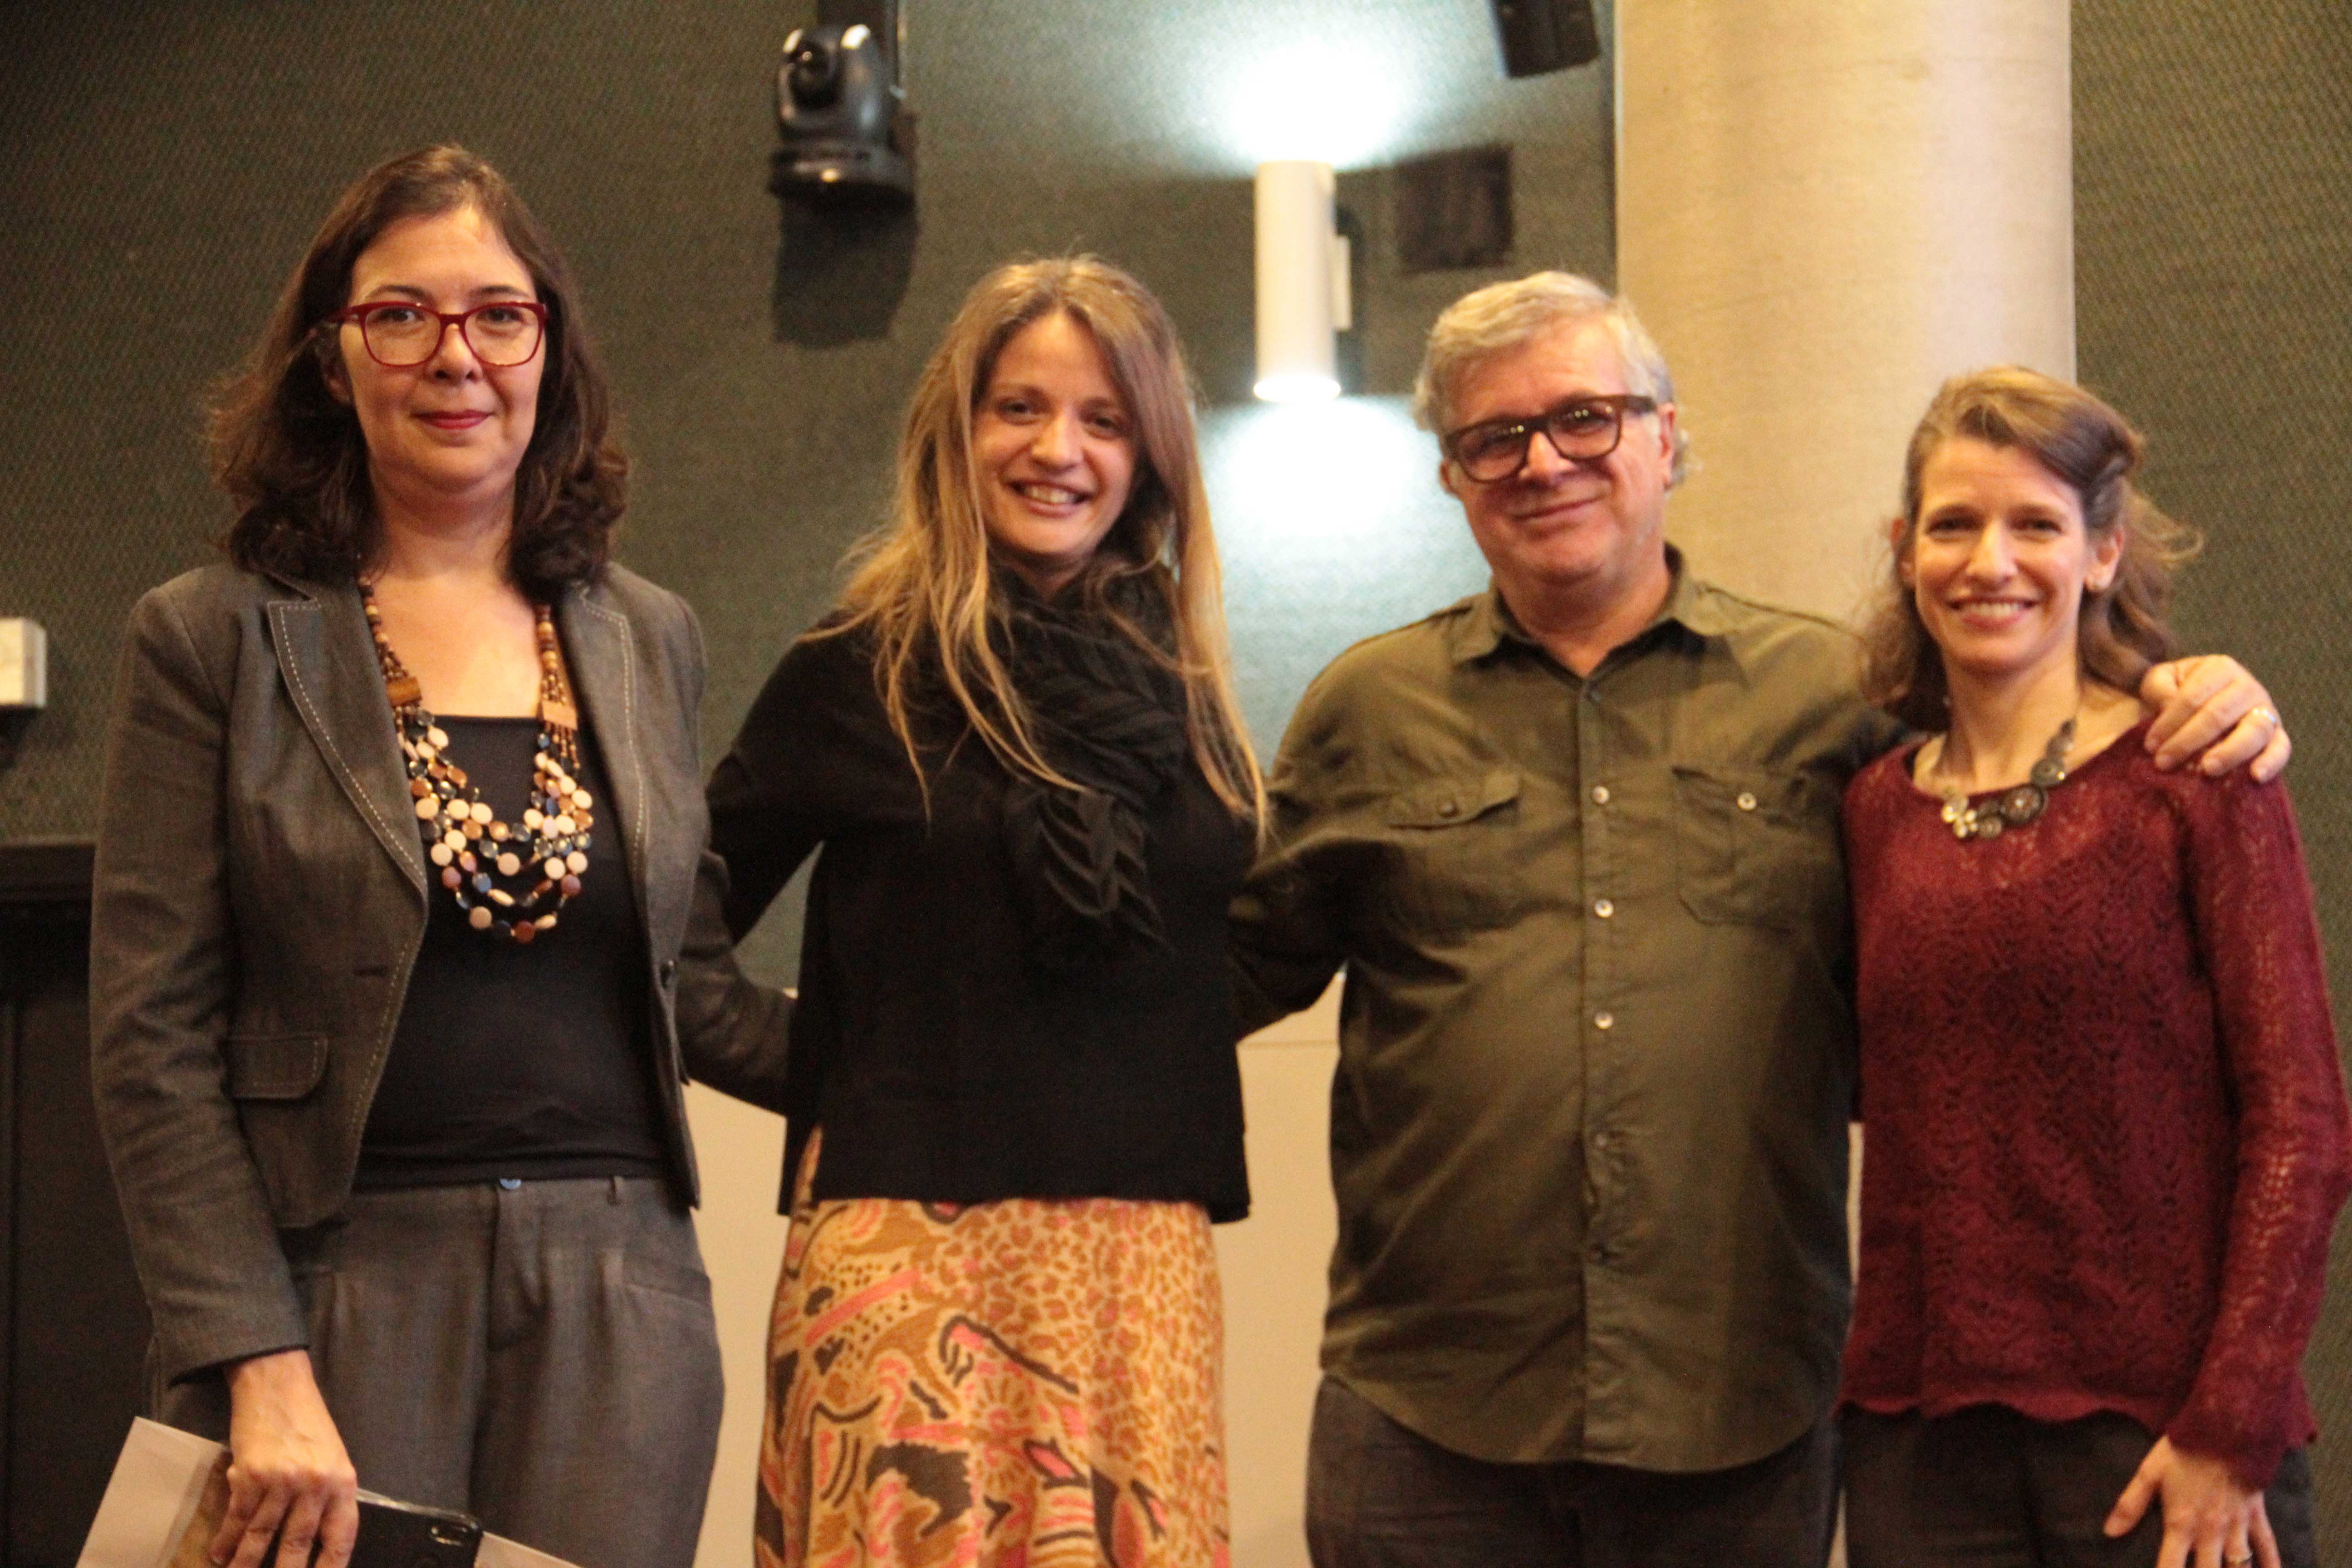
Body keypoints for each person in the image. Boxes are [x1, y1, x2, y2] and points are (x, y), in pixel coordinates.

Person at [1226, 272, 2292, 1568]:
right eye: (1494, 438)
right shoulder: (1366, 708)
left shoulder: (1835, 705)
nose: (1544, 462)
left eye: (1586, 417)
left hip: (1736, 1419)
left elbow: (2031, 756)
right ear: (1452, 476)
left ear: (1667, 437)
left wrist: (2183, 682)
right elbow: (1216, 979)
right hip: (1429, 1414)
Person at [88, 145, 791, 1568]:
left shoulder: (648, 635)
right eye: (402, 315)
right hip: (337, 1282)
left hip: (622, 1295)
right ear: (330, 360)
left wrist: (962, 1062)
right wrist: (256, 1355)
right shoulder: (211, 635)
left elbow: (698, 985)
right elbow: (150, 1038)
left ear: (549, 349)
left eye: (498, 315)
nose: (455, 356)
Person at [706, 256, 1264, 1568]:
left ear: (1150, 456)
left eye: (1103, 420)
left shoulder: (1183, 686)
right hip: (909, 1257)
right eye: (1019, 408)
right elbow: (670, 914)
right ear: (956, 432)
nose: (1058, 450)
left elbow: (1216, 951)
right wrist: (816, 1067)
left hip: (1138, 1269)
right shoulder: (862, 666)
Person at [1838, 367, 2351, 1568]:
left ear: (2104, 553)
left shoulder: (2197, 777)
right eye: (1954, 525)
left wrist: (2231, 1425)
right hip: (1920, 1442)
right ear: (1907, 552)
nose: (1991, 563)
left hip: (2164, 1435)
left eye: (2036, 525)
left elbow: (2304, 1124)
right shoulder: (1873, 809)